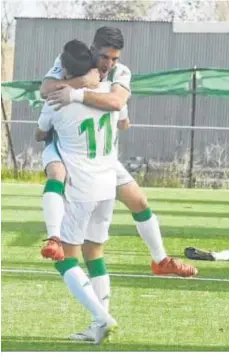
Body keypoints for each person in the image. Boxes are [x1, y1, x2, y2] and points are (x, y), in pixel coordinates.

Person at [39, 26, 197, 278]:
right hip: (75, 156)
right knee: (83, 245)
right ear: (92, 50)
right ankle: (55, 239)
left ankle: (161, 260)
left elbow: (116, 102)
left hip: (104, 158)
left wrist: (78, 92)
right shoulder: (70, 62)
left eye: (115, 58)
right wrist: (82, 82)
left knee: (140, 202)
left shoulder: (121, 72)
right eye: (104, 57)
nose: (109, 64)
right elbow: (45, 88)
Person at [36, 39, 122, 344]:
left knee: (65, 258)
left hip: (81, 187)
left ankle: (102, 317)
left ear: (65, 70)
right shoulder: (109, 93)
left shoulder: (57, 99)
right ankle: (99, 327)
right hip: (108, 186)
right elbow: (122, 119)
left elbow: (40, 133)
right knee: (94, 253)